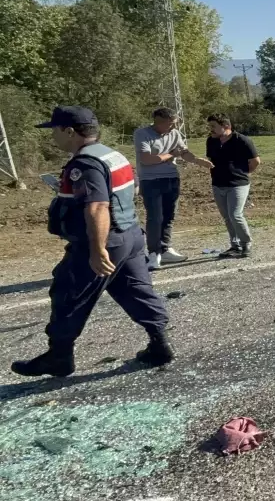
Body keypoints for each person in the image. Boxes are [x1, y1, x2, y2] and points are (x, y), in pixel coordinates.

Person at [12, 107, 173, 378]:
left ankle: (59, 357)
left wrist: (97, 250)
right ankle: (160, 343)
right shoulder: (112, 154)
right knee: (135, 290)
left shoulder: (85, 164)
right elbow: (131, 189)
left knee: (68, 293)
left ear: (69, 132)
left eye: (55, 130)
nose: (52, 136)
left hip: (104, 241)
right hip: (130, 235)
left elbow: (98, 206)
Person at [133, 108, 213, 270]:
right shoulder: (142, 134)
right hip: (151, 181)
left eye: (175, 123)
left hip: (172, 178)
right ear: (158, 122)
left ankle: (165, 248)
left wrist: (198, 161)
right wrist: (171, 154)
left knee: (169, 216)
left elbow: (183, 152)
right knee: (155, 217)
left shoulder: (174, 133)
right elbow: (146, 159)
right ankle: (154, 253)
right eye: (170, 124)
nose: (174, 127)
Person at [205, 114, 260, 259]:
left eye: (214, 126)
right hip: (218, 184)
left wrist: (242, 173)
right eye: (210, 126)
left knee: (235, 215)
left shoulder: (242, 140)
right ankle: (235, 246)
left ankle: (246, 243)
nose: (211, 129)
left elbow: (255, 161)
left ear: (226, 126)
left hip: (238, 184)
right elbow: (210, 159)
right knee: (227, 217)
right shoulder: (211, 141)